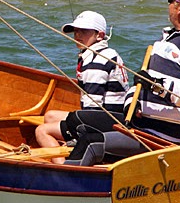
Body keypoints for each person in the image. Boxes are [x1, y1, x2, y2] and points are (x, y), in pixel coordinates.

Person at [65, 0, 180, 166]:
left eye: (170, 1)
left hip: (167, 138)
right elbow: (142, 84)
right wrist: (131, 102)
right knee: (76, 121)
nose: (169, 7)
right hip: (141, 126)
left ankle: (62, 188)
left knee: (90, 142)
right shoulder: (168, 39)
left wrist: (158, 85)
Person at [34, 10, 129, 163]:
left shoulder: (96, 61)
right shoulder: (106, 53)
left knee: (41, 131)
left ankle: (64, 167)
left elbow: (93, 108)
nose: (77, 35)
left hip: (107, 122)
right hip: (115, 117)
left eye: (83, 31)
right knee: (50, 116)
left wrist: (79, 133)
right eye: (76, 31)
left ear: (99, 35)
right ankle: (66, 151)